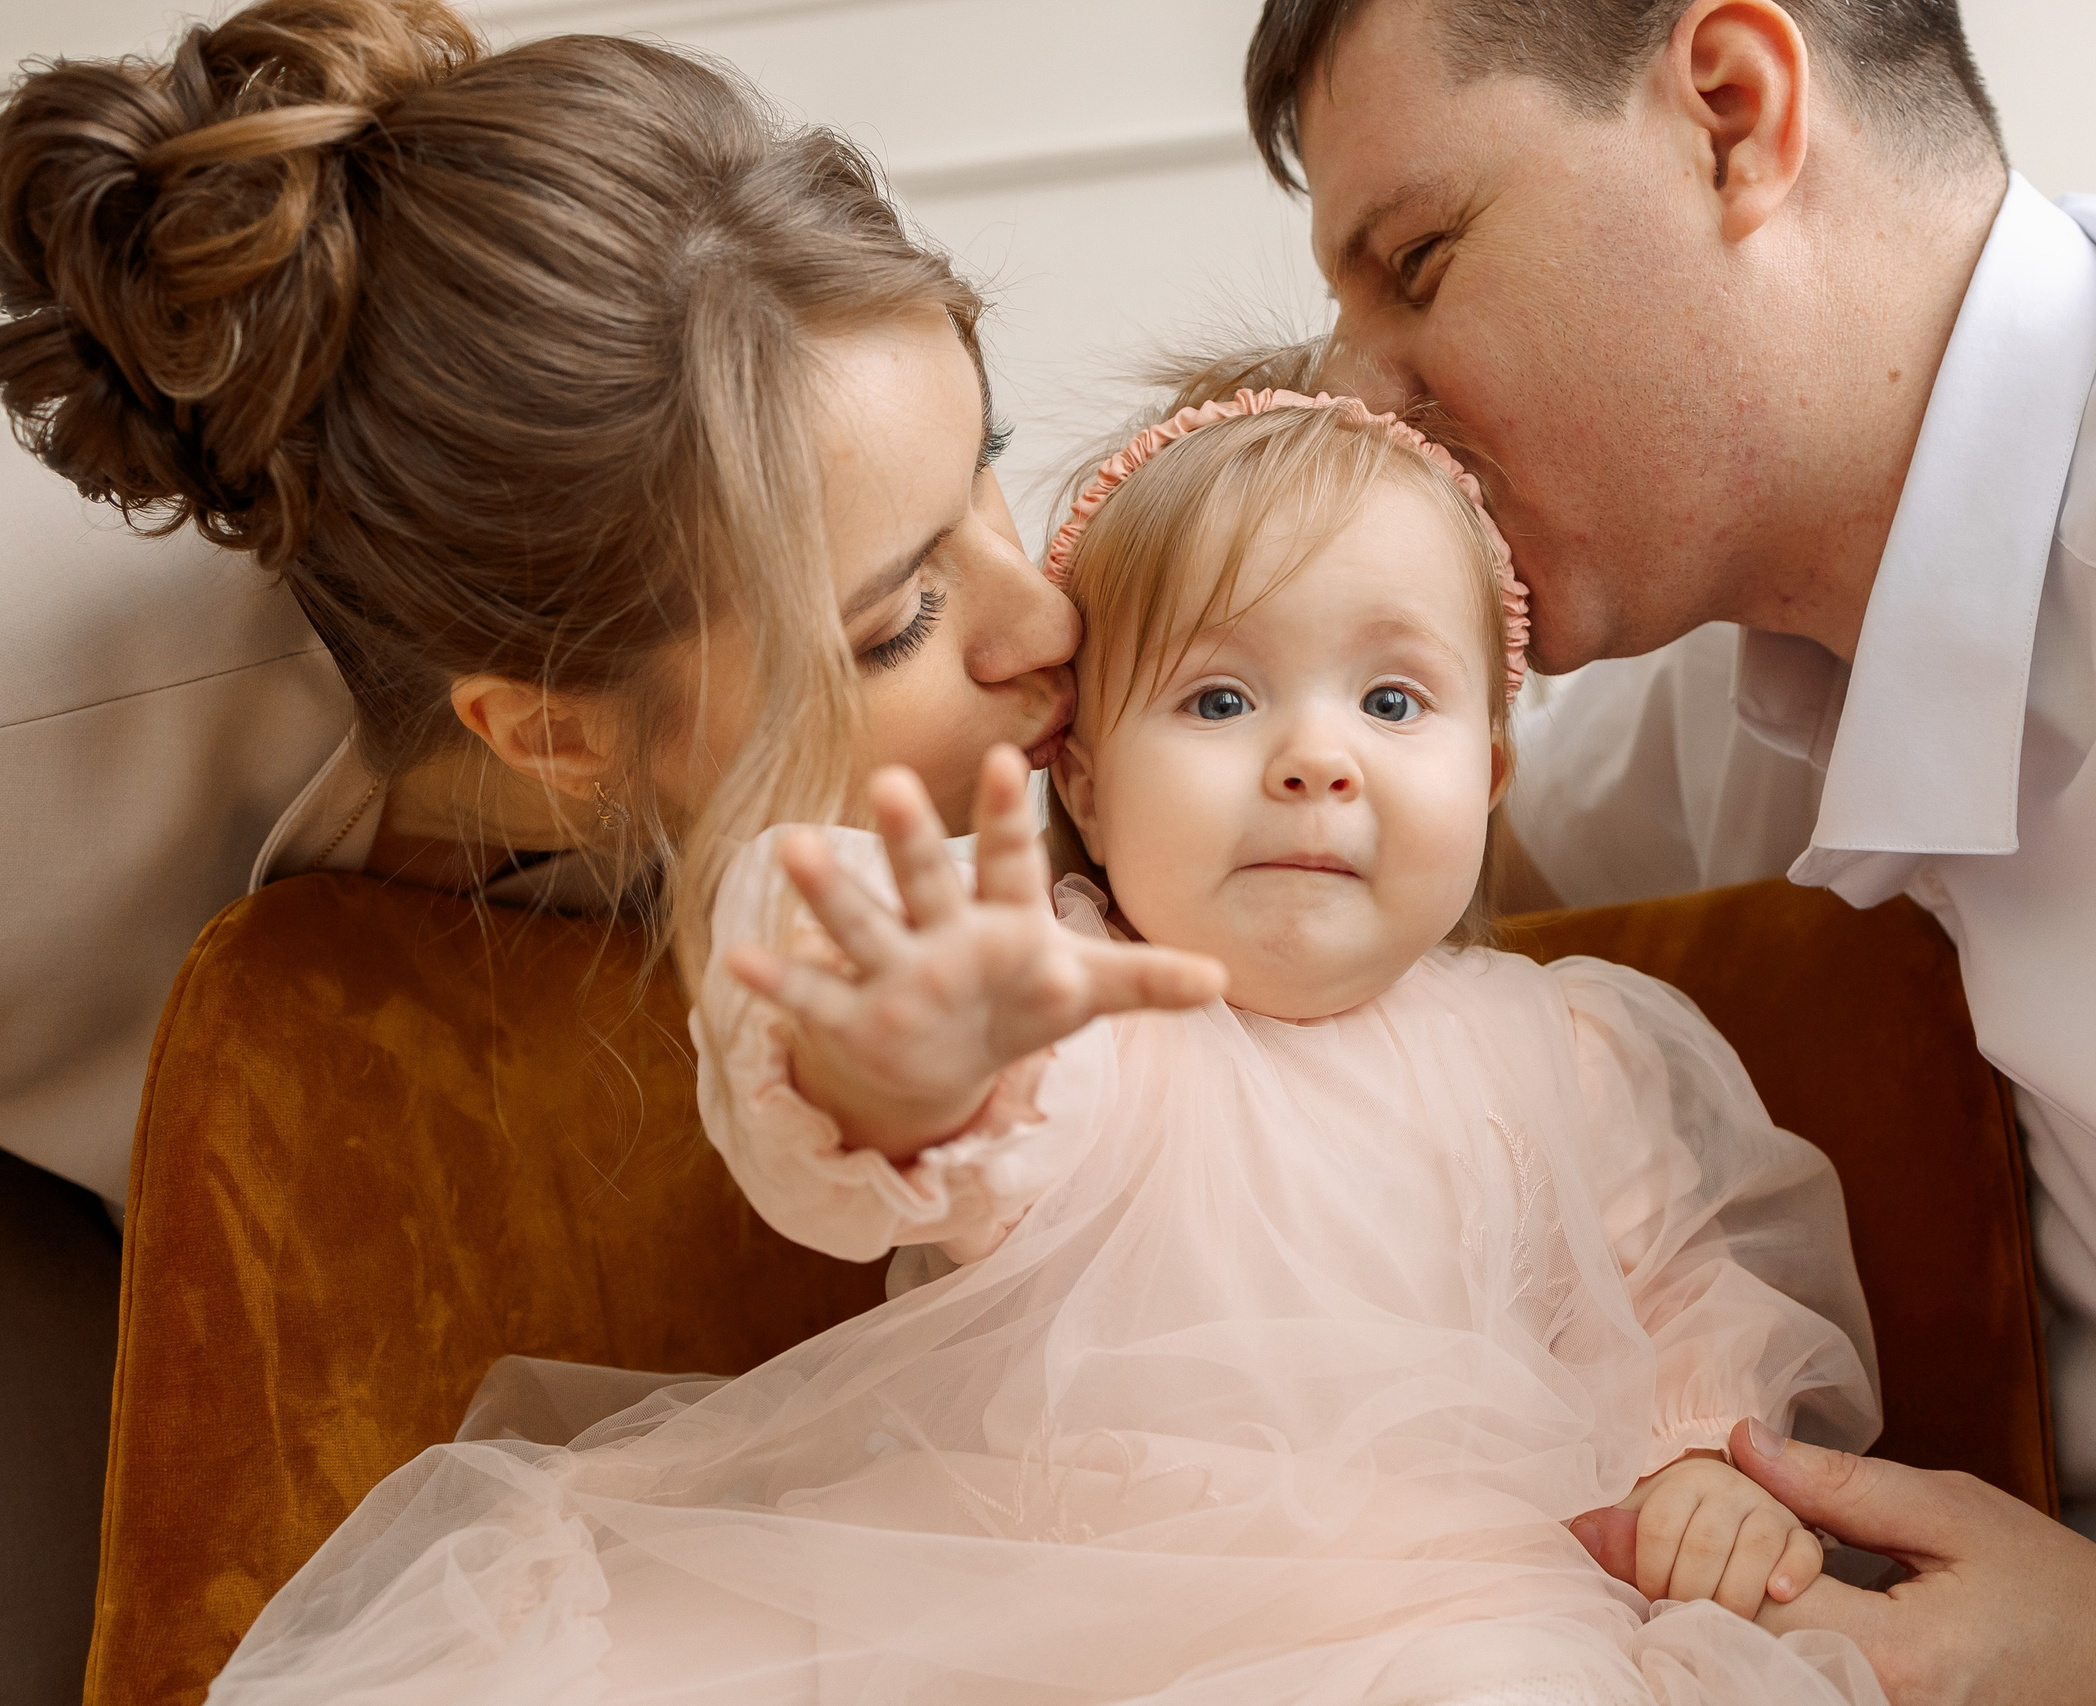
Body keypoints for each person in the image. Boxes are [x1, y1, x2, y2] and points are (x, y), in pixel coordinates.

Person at [1242, 0, 2096, 1699]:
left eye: (1417, 262)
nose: (1359, 397)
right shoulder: (1755, 645)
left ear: (1733, 111)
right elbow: (1397, 900)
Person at [209, 386, 1888, 1705]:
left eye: (1394, 702)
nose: (1316, 758)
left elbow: (1693, 1279)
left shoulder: (1570, 1048)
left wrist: (1701, 1461)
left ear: (1495, 777)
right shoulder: (1073, 1004)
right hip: (1055, 1620)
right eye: (1222, 701)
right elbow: (945, 1130)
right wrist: (911, 1056)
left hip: (1474, 1614)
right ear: (1080, 779)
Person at [0, 0, 1211, 1691]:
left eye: (987, 465)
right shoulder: (49, 773)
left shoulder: (985, 664)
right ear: (555, 733)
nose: (1045, 613)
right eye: (902, 619)